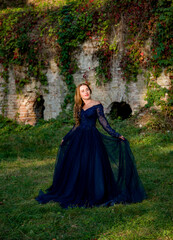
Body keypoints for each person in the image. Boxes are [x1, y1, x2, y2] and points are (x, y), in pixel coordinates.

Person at [35, 82, 147, 208]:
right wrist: (66, 138)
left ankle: (97, 192)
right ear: (79, 94)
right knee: (78, 165)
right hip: (79, 139)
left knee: (95, 164)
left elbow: (104, 123)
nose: (86, 92)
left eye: (87, 89)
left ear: (90, 91)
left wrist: (116, 134)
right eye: (82, 91)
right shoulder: (78, 106)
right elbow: (76, 125)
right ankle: (77, 190)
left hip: (92, 138)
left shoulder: (96, 104)